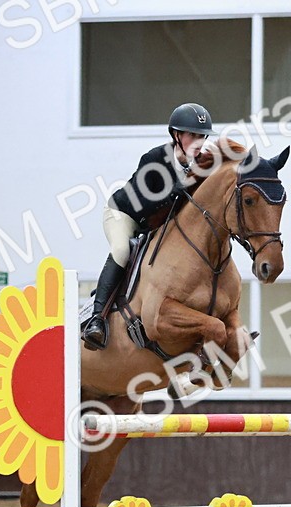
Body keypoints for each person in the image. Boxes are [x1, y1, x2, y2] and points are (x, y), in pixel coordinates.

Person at [81, 102, 214, 350]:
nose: (198, 141)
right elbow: (142, 202)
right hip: (126, 214)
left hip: (158, 225)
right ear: (176, 135)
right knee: (122, 250)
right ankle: (96, 320)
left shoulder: (200, 166)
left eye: (201, 136)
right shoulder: (155, 159)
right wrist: (174, 191)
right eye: (192, 135)